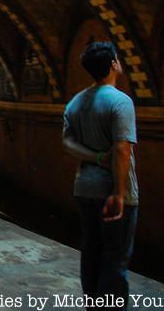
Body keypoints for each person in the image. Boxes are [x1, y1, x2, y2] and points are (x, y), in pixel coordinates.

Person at [62, 41, 138, 308]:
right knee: (115, 259)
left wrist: (95, 157)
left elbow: (68, 142)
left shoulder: (75, 102)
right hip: (113, 191)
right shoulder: (120, 101)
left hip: (84, 188)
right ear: (114, 64)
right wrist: (119, 193)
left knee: (91, 252)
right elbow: (122, 150)